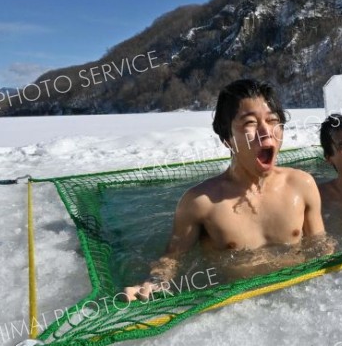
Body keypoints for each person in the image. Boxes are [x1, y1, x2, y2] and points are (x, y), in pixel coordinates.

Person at [124, 79, 328, 301]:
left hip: (298, 299)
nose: (266, 132)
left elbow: (320, 246)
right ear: (227, 139)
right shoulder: (201, 202)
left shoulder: (302, 185)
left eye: (273, 120)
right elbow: (172, 258)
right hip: (238, 308)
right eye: (250, 123)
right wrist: (155, 282)